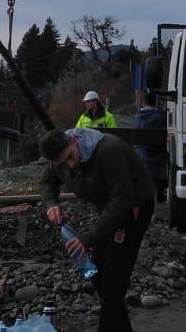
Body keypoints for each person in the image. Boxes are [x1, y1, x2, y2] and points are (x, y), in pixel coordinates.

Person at [41, 127, 154, 332]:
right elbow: (48, 182)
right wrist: (51, 203)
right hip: (108, 210)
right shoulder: (59, 162)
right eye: (63, 163)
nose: (70, 165)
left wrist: (87, 239)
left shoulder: (109, 150)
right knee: (97, 272)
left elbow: (122, 201)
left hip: (133, 208)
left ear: (73, 140)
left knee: (113, 279)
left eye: (70, 157)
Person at [133, 94, 167, 202]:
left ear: (144, 102)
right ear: (155, 103)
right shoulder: (157, 117)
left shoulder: (138, 116)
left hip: (138, 151)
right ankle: (158, 198)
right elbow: (160, 140)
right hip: (152, 154)